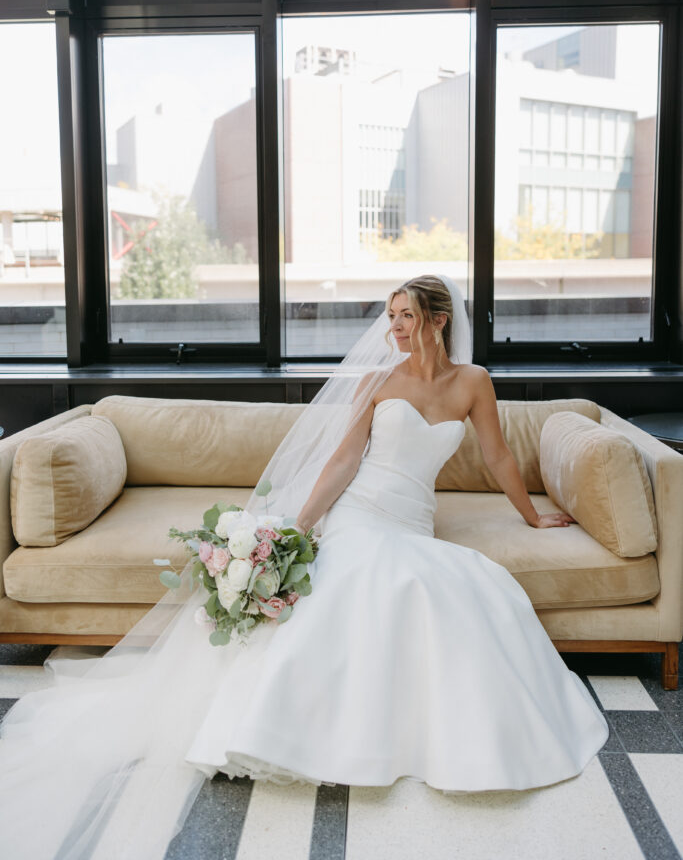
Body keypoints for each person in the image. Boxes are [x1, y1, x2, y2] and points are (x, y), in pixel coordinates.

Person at [0, 274, 608, 860]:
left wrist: (531, 517)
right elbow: (345, 460)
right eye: (390, 315)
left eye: (406, 316)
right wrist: (304, 522)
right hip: (362, 509)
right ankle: (280, 725)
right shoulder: (380, 381)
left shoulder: (474, 382)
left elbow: (500, 457)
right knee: (368, 574)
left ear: (439, 320)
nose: (393, 327)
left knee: (465, 585)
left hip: (411, 518)